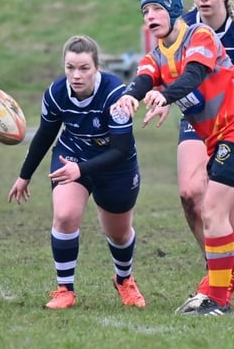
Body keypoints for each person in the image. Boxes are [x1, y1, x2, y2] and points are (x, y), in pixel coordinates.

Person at [112, 0, 234, 315]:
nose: (150, 16)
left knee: (211, 211)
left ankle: (218, 300)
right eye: (145, 12)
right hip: (226, 136)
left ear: (174, 11)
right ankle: (217, 296)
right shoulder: (156, 56)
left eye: (157, 9)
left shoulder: (200, 35)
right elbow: (143, 78)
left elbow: (194, 74)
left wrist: (165, 96)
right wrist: (129, 95)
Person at [8, 35, 146, 310]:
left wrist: (80, 169)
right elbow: (45, 135)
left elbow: (118, 150)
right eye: (70, 67)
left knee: (118, 233)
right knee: (65, 215)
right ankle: (65, 290)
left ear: (97, 68)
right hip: (71, 155)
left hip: (116, 166)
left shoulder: (115, 94)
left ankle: (124, 280)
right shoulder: (56, 94)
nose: (76, 75)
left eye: (84, 68)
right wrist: (24, 176)